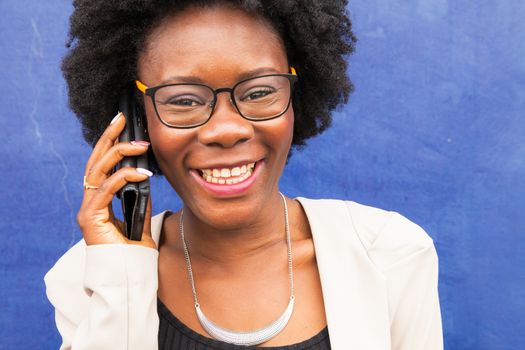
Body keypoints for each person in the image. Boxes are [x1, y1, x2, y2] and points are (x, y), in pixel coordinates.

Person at [45, 1, 443, 349]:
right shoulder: (89, 276)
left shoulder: (391, 256)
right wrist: (122, 281)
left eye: (258, 92)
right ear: (136, 119)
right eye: (183, 99)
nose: (226, 130)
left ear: (296, 99)